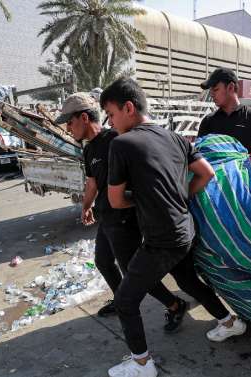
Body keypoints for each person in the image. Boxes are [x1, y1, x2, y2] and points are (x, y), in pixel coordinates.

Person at [101, 78, 246, 377]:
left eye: (111, 114)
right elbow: (205, 173)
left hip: (161, 239)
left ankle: (142, 364)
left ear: (129, 108)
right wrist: (180, 195)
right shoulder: (176, 138)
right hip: (185, 229)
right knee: (190, 282)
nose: (110, 123)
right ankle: (230, 323)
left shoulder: (122, 144)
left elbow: (115, 200)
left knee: (126, 300)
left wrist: (144, 199)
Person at [56, 92, 190, 331]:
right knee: (103, 262)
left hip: (126, 219)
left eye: (70, 121)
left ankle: (174, 304)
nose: (68, 128)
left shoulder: (116, 139)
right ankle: (122, 301)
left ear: (84, 118)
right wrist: (86, 206)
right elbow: (92, 183)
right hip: (106, 216)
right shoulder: (88, 150)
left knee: (134, 273)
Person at [198, 67, 251, 153]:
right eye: (210, 91)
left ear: (230, 87)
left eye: (215, 89)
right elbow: (198, 153)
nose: (211, 94)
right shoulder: (208, 121)